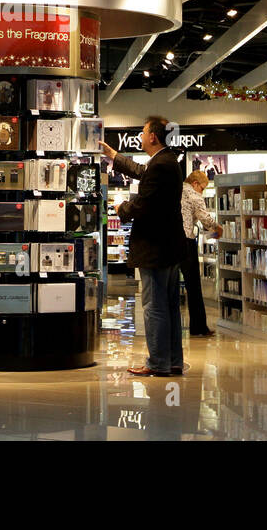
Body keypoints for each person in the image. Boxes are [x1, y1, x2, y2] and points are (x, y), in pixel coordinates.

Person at [101, 115, 186, 376]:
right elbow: (141, 172)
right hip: (169, 247)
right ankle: (172, 360)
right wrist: (114, 156)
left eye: (142, 131)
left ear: (153, 136)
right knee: (169, 306)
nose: (139, 135)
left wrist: (120, 207)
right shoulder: (166, 161)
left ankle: (158, 363)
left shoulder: (161, 165)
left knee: (154, 307)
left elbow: (144, 206)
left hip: (155, 248)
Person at [181, 170, 223, 336]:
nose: (202, 192)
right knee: (193, 285)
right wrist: (217, 227)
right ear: (195, 184)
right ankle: (198, 327)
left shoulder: (176, 190)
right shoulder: (194, 195)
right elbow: (204, 218)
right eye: (203, 188)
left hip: (170, 240)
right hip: (186, 241)